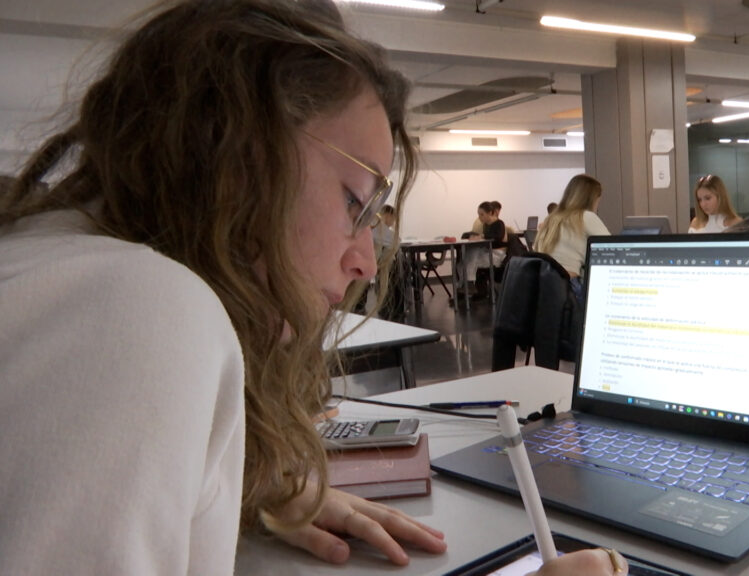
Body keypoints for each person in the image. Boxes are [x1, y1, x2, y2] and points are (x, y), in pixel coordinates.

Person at [0, 2, 623, 575]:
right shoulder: (133, 309)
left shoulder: (65, 271)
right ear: (235, 159)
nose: (367, 264)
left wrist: (243, 487)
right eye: (355, 202)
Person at [535, 174, 610, 301]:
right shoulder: (585, 217)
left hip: (543, 287)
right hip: (570, 288)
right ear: (592, 199)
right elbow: (612, 249)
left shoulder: (551, 219)